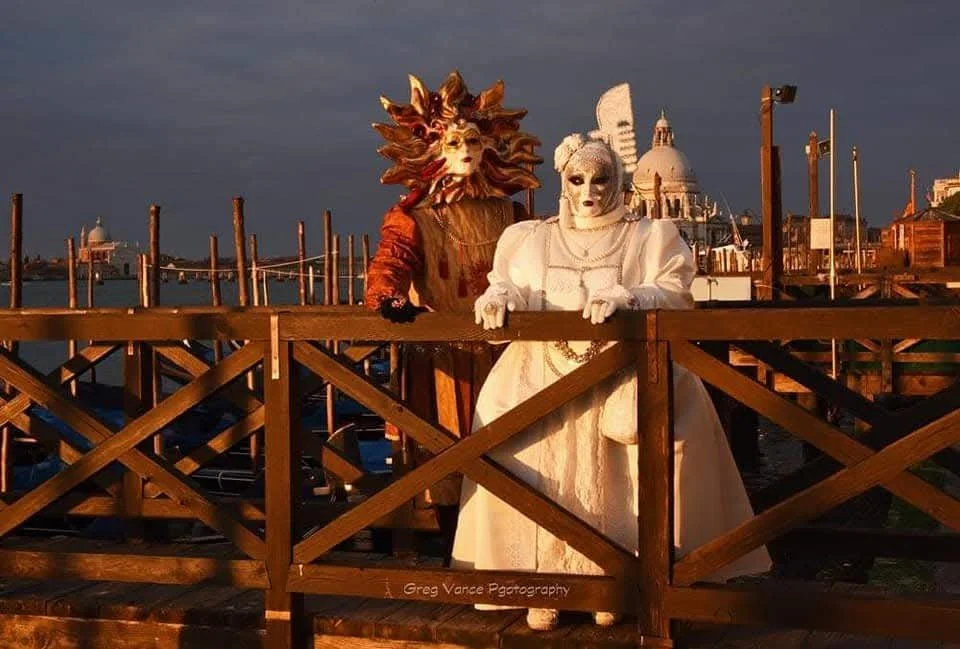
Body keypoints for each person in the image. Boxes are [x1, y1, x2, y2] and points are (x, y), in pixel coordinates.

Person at [450, 134, 771, 631]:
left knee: (625, 486)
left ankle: (619, 585)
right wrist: (499, 299)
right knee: (539, 480)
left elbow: (673, 291)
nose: (589, 190)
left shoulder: (649, 236)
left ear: (617, 182)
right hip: (539, 382)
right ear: (564, 182)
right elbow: (512, 283)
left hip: (621, 376)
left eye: (600, 179)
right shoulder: (530, 238)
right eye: (577, 179)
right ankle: (542, 586)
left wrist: (631, 297)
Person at [364, 71, 541, 537]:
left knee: (517, 460)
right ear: (434, 149)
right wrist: (390, 299)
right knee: (443, 462)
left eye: (474, 140)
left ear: (489, 147)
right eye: (453, 141)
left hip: (507, 355)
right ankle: (451, 550)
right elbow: (390, 264)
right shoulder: (413, 218)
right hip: (442, 361)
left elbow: (540, 268)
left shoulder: (514, 215)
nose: (465, 149)